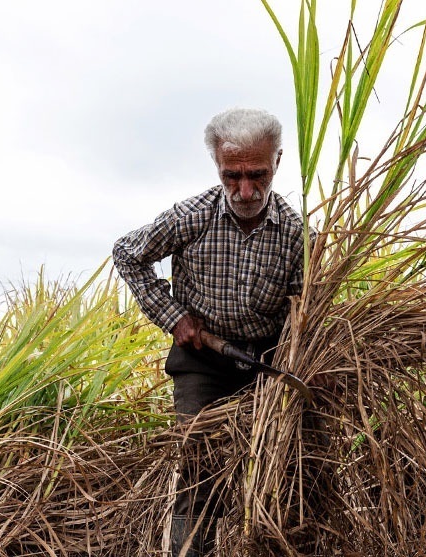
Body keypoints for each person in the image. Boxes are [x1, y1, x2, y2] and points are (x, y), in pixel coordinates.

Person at [112, 108, 307, 556]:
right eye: (231, 176)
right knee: (199, 464)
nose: (244, 190)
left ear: (277, 161)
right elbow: (127, 254)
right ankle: (190, 552)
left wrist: (291, 357)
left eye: (257, 175)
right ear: (217, 165)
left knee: (280, 467)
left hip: (266, 364)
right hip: (202, 361)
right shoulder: (191, 217)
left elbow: (302, 310)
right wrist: (173, 316)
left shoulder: (295, 234)